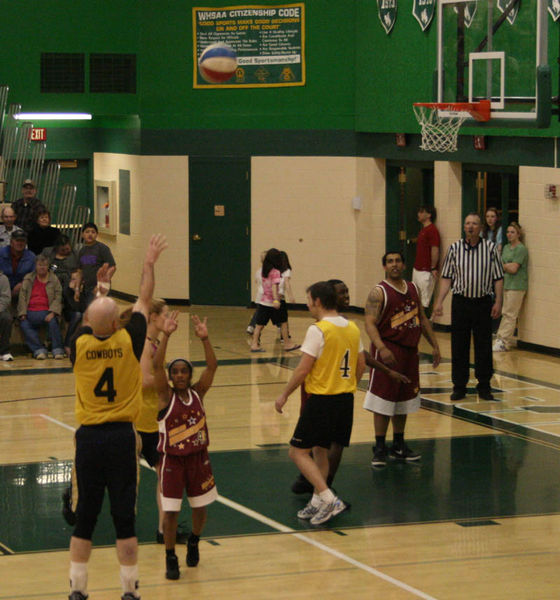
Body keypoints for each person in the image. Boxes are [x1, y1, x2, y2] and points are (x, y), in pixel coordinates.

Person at [67, 234, 167, 600]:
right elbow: (143, 299)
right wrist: (149, 264)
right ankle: (130, 591)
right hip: (122, 436)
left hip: (89, 438)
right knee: (124, 519)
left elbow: (93, 319)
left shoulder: (80, 346)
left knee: (86, 519)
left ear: (91, 325)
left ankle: (78, 590)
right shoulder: (129, 342)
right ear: (118, 324)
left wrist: (98, 291)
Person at [291, 278, 409, 494]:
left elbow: (360, 358)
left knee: (326, 441)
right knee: (316, 439)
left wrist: (387, 371)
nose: (346, 296)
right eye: (341, 293)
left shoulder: (343, 325)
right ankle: (316, 482)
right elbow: (360, 358)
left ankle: (323, 486)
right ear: (329, 298)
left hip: (331, 390)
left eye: (347, 292)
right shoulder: (333, 326)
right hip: (323, 389)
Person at [275, 281, 366, 526]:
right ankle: (317, 502)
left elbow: (303, 369)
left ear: (317, 301)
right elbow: (362, 364)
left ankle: (328, 498)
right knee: (319, 451)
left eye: (309, 300)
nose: (307, 305)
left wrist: (284, 394)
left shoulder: (319, 330)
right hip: (345, 400)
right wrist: (347, 385)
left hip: (322, 401)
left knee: (297, 452)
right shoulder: (353, 327)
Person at [153, 312, 218, 580]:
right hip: (173, 461)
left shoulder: (198, 393)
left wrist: (205, 339)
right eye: (176, 372)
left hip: (198, 459)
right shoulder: (165, 396)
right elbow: (156, 367)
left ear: (190, 375)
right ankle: (170, 557)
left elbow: (212, 367)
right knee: (170, 510)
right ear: (171, 376)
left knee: (199, 507)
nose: (180, 375)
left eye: (184, 371)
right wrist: (166, 334)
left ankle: (193, 540)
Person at [364, 251, 440, 466]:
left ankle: (398, 444)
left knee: (404, 399)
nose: (394, 264)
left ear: (404, 265)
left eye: (398, 260)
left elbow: (422, 319)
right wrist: (381, 347)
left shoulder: (413, 288)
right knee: (383, 400)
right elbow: (369, 323)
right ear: (384, 266)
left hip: (409, 350)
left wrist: (434, 344)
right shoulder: (378, 292)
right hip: (388, 349)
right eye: (390, 261)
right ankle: (379, 447)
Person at [433, 213, 504, 401]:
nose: (470, 226)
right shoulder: (454, 249)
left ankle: (484, 385)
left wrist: (498, 301)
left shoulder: (490, 249)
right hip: (461, 302)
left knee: (483, 346)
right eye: (467, 223)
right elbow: (447, 277)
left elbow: (498, 278)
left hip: (482, 302)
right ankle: (459, 386)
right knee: (459, 345)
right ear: (464, 227)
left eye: (474, 223)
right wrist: (439, 301)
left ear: (480, 228)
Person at [137, 298, 189, 545]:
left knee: (163, 477)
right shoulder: (146, 346)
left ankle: (163, 530)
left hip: (153, 420)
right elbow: (144, 380)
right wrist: (168, 385)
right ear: (153, 317)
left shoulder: (154, 343)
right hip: (141, 421)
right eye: (165, 314)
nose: (168, 318)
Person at [250, 248, 300, 352]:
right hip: (275, 301)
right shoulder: (276, 272)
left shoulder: (263, 270)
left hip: (264, 301)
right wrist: (276, 300)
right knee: (283, 322)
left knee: (259, 324)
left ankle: (254, 344)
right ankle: (287, 344)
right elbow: (274, 286)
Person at [17, 254, 64, 359]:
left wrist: (53, 312)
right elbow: (22, 296)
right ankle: (39, 350)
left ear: (48, 266)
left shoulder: (54, 279)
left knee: (53, 321)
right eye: (39, 265)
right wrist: (22, 312)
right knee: (24, 324)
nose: (42, 267)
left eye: (44, 265)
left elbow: (58, 296)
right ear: (35, 266)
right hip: (30, 312)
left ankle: (57, 349)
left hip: (47, 311)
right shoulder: (28, 278)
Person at [493, 222, 528, 352]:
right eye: (508, 232)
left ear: (518, 234)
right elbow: (500, 264)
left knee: (510, 314)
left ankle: (504, 340)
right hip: (507, 283)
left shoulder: (521, 249)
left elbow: (513, 268)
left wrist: (505, 266)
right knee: (505, 312)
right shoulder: (506, 247)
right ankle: (500, 338)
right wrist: (506, 265)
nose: (509, 234)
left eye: (512, 232)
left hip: (517, 285)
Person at [78, 222, 116, 305]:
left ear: (97, 234)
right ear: (82, 235)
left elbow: (112, 267)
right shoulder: (82, 251)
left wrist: (101, 284)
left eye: (93, 232)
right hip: (87, 287)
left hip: (100, 287)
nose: (90, 234)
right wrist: (78, 287)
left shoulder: (102, 248)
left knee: (99, 311)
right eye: (87, 232)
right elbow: (80, 270)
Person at [412, 205, 440, 310]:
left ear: (429, 214)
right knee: (415, 299)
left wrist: (433, 267)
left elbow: (435, 249)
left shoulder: (432, 230)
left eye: (421, 211)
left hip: (426, 271)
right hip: (417, 268)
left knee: (423, 302)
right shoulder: (423, 230)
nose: (418, 214)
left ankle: (424, 324)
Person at [0, 230, 36, 299]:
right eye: (17, 240)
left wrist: (23, 283)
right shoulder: (1, 253)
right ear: (11, 242)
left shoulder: (31, 257)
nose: (20, 243)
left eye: (22, 241)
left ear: (26, 243)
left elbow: (33, 276)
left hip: (22, 292)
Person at [0, 270, 13, 361]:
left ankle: (4, 352)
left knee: (6, 318)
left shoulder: (3, 279)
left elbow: (5, 298)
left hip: (0, 309)